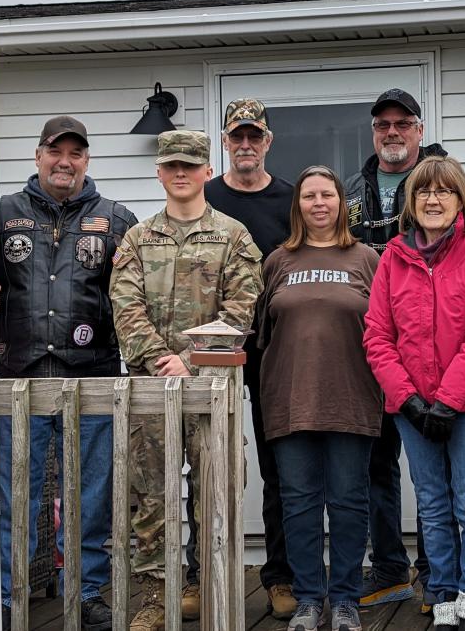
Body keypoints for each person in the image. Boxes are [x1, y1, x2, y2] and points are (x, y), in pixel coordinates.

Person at [0, 115, 137, 631]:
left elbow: (130, 302)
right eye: (55, 151)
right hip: (16, 379)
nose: (64, 161)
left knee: (88, 497)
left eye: (75, 153)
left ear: (87, 160)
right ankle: (3, 595)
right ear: (38, 155)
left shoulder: (116, 219)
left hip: (89, 378)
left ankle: (86, 592)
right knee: (12, 498)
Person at [109, 130, 263, 631]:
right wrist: (163, 362)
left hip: (211, 395)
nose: (181, 174)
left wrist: (192, 363)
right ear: (159, 172)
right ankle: (156, 597)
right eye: (172, 165)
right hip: (152, 395)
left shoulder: (235, 237)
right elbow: (125, 309)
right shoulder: (136, 238)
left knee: (215, 494)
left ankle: (213, 586)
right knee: (150, 497)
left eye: (191, 166)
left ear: (206, 173)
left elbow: (241, 311)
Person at [364, 156, 465, 631]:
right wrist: (408, 399)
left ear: (460, 199)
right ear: (411, 201)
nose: (433, 199)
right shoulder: (392, 257)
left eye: (443, 191)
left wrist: (448, 400)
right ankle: (443, 592)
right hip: (412, 407)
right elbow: (377, 336)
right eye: (424, 192)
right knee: (431, 504)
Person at [255, 165, 382, 631]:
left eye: (327, 195)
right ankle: (309, 600)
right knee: (299, 503)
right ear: (298, 206)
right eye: (309, 196)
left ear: (341, 203)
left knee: (349, 502)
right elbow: (263, 336)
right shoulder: (277, 262)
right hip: (289, 400)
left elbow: (386, 330)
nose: (319, 203)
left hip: (351, 399)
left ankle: (345, 599)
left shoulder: (366, 258)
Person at [344, 88, 448, 610]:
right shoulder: (351, 190)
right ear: (373, 131)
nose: (392, 132)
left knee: (434, 470)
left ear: (419, 130)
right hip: (374, 348)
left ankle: (436, 574)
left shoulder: (441, 182)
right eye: (382, 123)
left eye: (402, 123)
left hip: (431, 350)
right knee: (374, 464)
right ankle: (389, 568)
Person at [204, 98, 297, 620]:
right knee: (205, 463)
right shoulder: (204, 195)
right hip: (210, 351)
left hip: (272, 351)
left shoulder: (289, 201)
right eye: (236, 136)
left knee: (277, 465)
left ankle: (280, 575)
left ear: (267, 142)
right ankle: (202, 572)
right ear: (225, 140)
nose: (245, 145)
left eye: (254, 137)